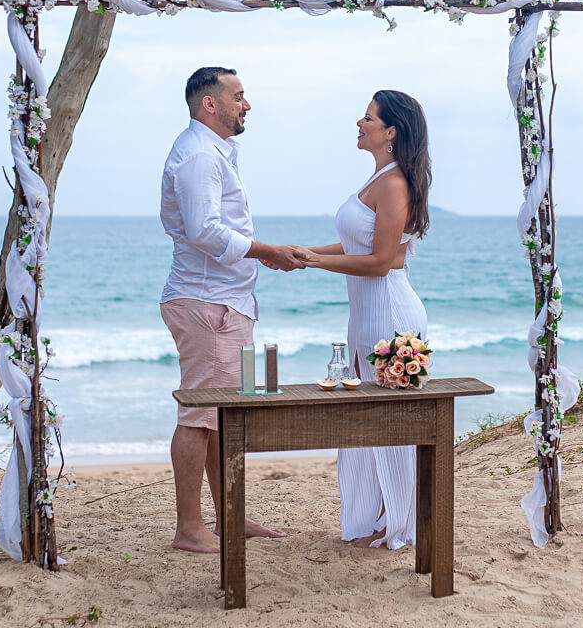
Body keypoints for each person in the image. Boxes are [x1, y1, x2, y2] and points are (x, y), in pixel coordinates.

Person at [159, 66, 304, 554]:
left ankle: (230, 518)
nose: (247, 104)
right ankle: (189, 529)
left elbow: (215, 229)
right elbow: (204, 232)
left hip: (225, 303)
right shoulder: (201, 155)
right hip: (208, 305)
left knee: (221, 416)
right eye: (239, 96)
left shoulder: (213, 151)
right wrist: (266, 250)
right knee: (199, 415)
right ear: (210, 104)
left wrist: (261, 255)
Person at [299, 89, 432, 549]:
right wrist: (306, 252)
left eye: (369, 117)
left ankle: (395, 525)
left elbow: (382, 262)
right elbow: (359, 246)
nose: (360, 122)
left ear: (390, 131)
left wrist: (315, 264)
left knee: (390, 426)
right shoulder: (380, 179)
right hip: (366, 317)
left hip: (390, 318)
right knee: (363, 421)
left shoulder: (395, 184)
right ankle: (375, 518)